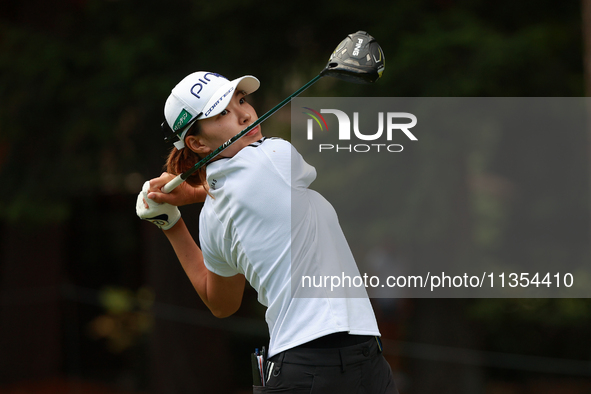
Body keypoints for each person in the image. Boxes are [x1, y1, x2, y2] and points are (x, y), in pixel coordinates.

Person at [136, 71, 398, 393]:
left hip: (344, 361)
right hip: (318, 367)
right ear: (197, 142)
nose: (246, 113)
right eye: (223, 113)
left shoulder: (211, 218)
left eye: (242, 100)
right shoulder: (275, 155)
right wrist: (194, 196)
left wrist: (172, 223)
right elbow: (250, 183)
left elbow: (220, 303)